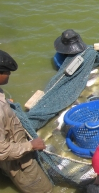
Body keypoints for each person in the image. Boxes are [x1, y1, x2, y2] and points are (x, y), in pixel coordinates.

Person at [0, 50, 53, 193]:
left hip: (12, 151)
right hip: (19, 163)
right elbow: (2, 151)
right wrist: (30, 145)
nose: (9, 75)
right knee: (44, 190)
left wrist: (6, 105)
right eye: (7, 72)